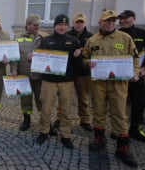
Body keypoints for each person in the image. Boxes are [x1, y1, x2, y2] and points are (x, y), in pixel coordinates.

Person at [82, 9, 140, 168]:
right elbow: (85, 58)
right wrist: (87, 63)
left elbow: (135, 58)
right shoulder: (92, 40)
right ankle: (99, 138)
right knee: (98, 110)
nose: (110, 23)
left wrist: (135, 72)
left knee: (119, 113)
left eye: (112, 20)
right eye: (107, 20)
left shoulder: (125, 38)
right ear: (100, 22)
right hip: (98, 83)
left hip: (118, 84)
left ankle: (123, 148)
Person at [35, 14, 81, 149]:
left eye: (65, 25)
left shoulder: (73, 41)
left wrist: (78, 56)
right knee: (46, 108)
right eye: (60, 25)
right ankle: (44, 131)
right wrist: (33, 58)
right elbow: (40, 60)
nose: (62, 27)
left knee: (66, 109)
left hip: (66, 81)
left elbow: (77, 64)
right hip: (49, 81)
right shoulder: (46, 40)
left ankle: (66, 135)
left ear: (67, 27)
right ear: (55, 26)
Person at [117, 9, 145, 143]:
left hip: (136, 75)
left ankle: (135, 128)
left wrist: (144, 67)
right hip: (119, 76)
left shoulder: (143, 34)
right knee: (117, 103)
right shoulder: (115, 34)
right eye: (121, 19)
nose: (122, 21)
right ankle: (118, 129)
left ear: (134, 18)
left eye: (126, 18)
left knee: (140, 102)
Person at [11, 14, 47, 131]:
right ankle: (26, 120)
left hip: (40, 74)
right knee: (25, 98)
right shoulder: (17, 37)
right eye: (34, 24)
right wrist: (14, 69)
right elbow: (14, 55)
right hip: (24, 72)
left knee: (42, 98)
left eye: (38, 24)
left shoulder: (44, 37)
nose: (37, 26)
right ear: (27, 25)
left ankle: (45, 121)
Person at [67, 12, 94, 131]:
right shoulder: (67, 35)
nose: (79, 24)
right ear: (73, 23)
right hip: (68, 72)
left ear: (85, 23)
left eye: (81, 22)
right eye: (77, 22)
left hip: (83, 73)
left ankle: (85, 120)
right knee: (66, 97)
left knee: (83, 98)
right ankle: (60, 118)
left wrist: (83, 55)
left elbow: (94, 54)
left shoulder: (91, 37)